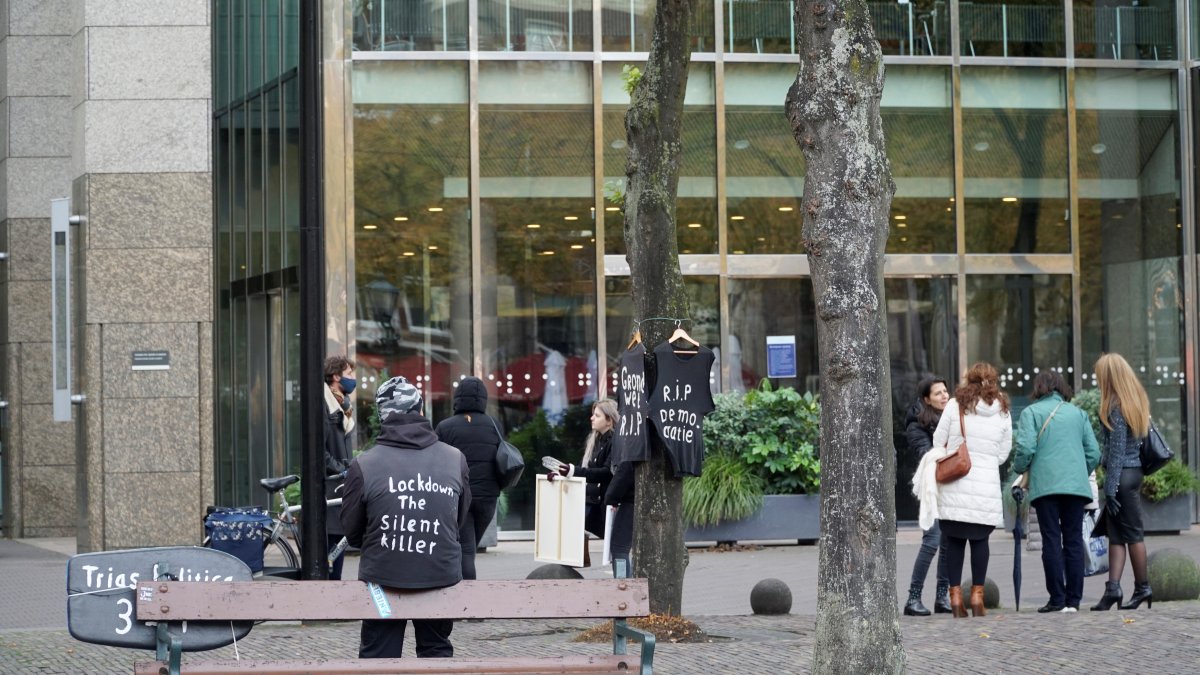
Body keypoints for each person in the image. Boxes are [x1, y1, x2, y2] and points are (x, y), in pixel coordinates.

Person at [340, 376, 471, 659]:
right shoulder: (455, 459)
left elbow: (351, 531)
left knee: (379, 652)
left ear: (383, 417)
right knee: (435, 649)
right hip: (439, 576)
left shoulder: (364, 464)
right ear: (421, 410)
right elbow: (457, 522)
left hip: (383, 582)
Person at [1012, 370, 1101, 613]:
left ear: (1038, 387)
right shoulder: (1078, 414)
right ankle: (1074, 600)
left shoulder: (1031, 413)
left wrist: (1020, 469)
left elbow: (1026, 447)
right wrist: (1077, 472)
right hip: (1075, 487)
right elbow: (1094, 453)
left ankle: (1056, 599)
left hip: (1045, 487)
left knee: (1051, 539)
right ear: (1062, 388)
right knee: (1073, 539)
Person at [929, 362, 1012, 618]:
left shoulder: (955, 405)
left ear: (969, 379)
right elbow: (1003, 453)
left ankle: (955, 599)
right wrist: (986, 462)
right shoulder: (1003, 410)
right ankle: (977, 598)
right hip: (985, 485)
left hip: (956, 483)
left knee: (953, 541)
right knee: (980, 541)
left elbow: (937, 440)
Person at [1090, 353, 1154, 611]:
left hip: (1123, 476)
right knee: (1116, 534)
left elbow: (1116, 451)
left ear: (1109, 377)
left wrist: (1111, 488)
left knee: (1131, 534)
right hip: (1132, 471)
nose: (1097, 381)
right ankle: (1113, 589)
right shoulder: (1135, 399)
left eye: (1099, 376)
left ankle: (1142, 588)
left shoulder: (1115, 406)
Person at [434, 376, 502, 581]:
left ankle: (465, 598)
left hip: (458, 497)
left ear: (457, 398)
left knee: (464, 550)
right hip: (487, 498)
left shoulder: (445, 427)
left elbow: (436, 462)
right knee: (469, 549)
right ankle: (465, 594)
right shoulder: (494, 425)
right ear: (483, 398)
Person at [902, 376, 951, 616]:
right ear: (926, 399)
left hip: (951, 486)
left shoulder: (952, 418)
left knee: (949, 543)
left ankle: (943, 597)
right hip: (931, 486)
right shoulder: (916, 424)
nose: (944, 396)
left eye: (945, 391)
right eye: (938, 393)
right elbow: (925, 453)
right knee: (932, 541)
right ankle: (913, 598)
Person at [556, 399, 619, 566]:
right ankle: (575, 560)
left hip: (608, 503)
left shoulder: (615, 442)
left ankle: (622, 581)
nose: (592, 418)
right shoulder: (597, 440)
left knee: (617, 548)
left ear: (609, 420)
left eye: (597, 415)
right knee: (576, 523)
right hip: (596, 501)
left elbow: (606, 473)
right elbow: (589, 469)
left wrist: (573, 471)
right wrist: (563, 471)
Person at [323, 355, 356, 580]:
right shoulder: (326, 404)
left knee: (340, 538)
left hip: (340, 484)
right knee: (331, 540)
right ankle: (328, 589)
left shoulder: (343, 405)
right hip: (329, 483)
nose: (353, 379)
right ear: (336, 376)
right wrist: (339, 469)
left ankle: (336, 586)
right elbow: (318, 449)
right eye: (350, 374)